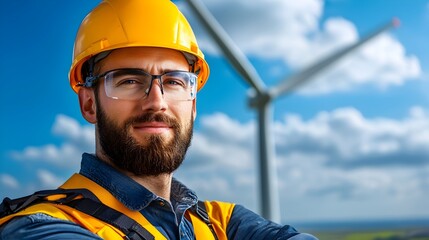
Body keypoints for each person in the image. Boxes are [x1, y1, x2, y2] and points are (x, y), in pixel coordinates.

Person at [0, 0, 318, 239]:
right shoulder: (41, 227)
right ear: (89, 104)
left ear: (193, 105)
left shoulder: (219, 222)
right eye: (128, 81)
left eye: (175, 82)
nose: (157, 101)